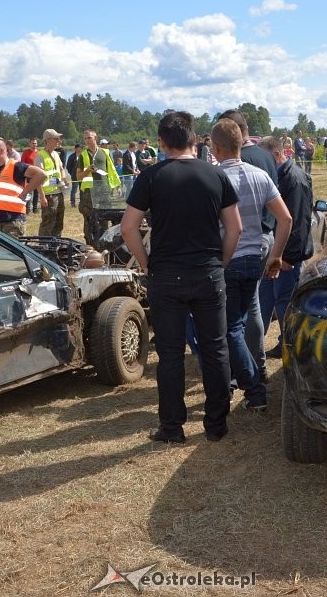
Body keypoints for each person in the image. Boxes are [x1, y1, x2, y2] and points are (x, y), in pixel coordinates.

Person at [121, 110, 241, 444]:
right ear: (193, 139)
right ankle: (216, 424)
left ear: (161, 143)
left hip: (166, 275)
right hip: (207, 273)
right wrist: (222, 261)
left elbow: (128, 227)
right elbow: (236, 227)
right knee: (215, 349)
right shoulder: (216, 175)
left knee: (170, 355)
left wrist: (146, 264)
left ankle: (172, 428)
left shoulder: (151, 176)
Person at [213, 118, 291, 413]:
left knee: (230, 328)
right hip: (256, 257)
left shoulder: (214, 177)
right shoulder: (260, 175)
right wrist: (276, 255)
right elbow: (286, 219)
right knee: (252, 314)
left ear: (216, 147)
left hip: (227, 260)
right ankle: (255, 374)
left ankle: (254, 388)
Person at [258, 136, 314, 358]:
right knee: (266, 299)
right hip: (276, 253)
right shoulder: (279, 176)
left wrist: (287, 257)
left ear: (275, 155)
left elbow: (298, 222)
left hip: (286, 257)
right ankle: (264, 345)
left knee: (285, 304)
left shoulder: (294, 180)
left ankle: (290, 347)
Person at [0, 137, 48, 238]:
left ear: (1, 151)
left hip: (13, 221)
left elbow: (41, 174)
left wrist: (25, 192)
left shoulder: (17, 167)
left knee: (12, 253)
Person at [77, 130, 121, 247]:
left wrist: (117, 186)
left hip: (104, 191)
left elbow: (112, 170)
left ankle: (105, 247)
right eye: (85, 138)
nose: (87, 140)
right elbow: (78, 176)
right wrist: (87, 171)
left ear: (95, 138)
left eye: (89, 138)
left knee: (104, 220)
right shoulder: (82, 155)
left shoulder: (105, 153)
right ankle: (90, 249)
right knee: (89, 222)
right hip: (88, 193)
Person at [36, 128, 70, 236]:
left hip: (59, 192)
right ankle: (44, 247)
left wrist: (64, 179)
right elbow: (38, 179)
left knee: (59, 222)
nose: (58, 141)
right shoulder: (40, 156)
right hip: (48, 195)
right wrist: (42, 197)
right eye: (56, 138)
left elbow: (61, 169)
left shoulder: (56, 154)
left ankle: (56, 246)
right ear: (48, 140)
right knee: (48, 223)